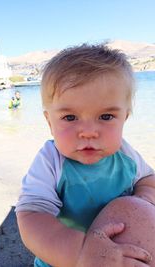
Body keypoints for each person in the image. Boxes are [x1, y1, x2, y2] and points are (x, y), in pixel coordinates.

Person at [15, 44, 155, 267]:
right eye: (70, 118)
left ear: (125, 118)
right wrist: (80, 253)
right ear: (49, 122)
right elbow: (32, 216)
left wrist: (142, 201)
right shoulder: (51, 160)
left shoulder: (125, 154)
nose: (89, 132)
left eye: (106, 116)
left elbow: (149, 180)